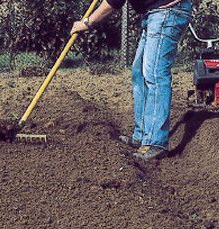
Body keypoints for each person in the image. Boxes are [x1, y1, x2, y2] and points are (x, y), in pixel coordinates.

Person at [71, 0, 192, 160]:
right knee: (139, 72)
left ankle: (156, 143)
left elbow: (114, 2)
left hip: (167, 11)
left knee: (155, 74)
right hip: (155, 12)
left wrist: (87, 22)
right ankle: (142, 136)